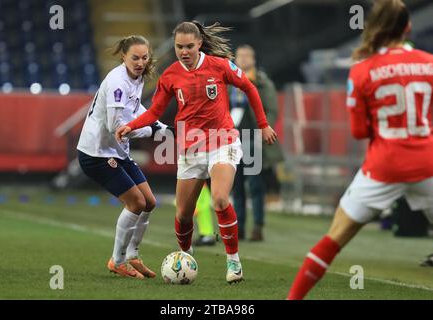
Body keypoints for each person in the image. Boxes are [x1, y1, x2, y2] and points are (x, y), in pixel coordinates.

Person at [287, 0, 433, 299]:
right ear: (407, 27)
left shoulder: (362, 70)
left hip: (384, 166)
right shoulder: (430, 63)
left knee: (333, 239)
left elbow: (358, 131)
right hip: (428, 163)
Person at [116, 21, 277, 283]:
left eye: (189, 46)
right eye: (179, 47)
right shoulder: (170, 75)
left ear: (199, 43)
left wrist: (263, 124)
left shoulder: (220, 65)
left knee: (220, 200)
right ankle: (185, 256)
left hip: (222, 141)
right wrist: (130, 126)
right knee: (182, 214)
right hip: (191, 149)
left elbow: (249, 87)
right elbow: (155, 111)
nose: (184, 51)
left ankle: (233, 262)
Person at [77, 35, 172, 279]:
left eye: (144, 57)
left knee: (149, 202)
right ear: (123, 57)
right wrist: (151, 129)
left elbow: (135, 108)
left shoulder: (136, 77)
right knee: (136, 203)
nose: (140, 62)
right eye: (135, 58)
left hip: (117, 152)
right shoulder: (118, 81)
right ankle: (117, 261)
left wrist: (158, 123)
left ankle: (133, 255)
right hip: (96, 153)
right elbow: (115, 126)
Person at [230, 44, 284, 241]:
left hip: (252, 138)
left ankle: (258, 226)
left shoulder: (262, 82)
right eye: (240, 56)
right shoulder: (229, 82)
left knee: (255, 185)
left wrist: (263, 130)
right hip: (233, 140)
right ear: (235, 59)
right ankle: (240, 227)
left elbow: (272, 109)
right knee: (236, 186)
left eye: (247, 56)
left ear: (253, 60)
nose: (243, 59)